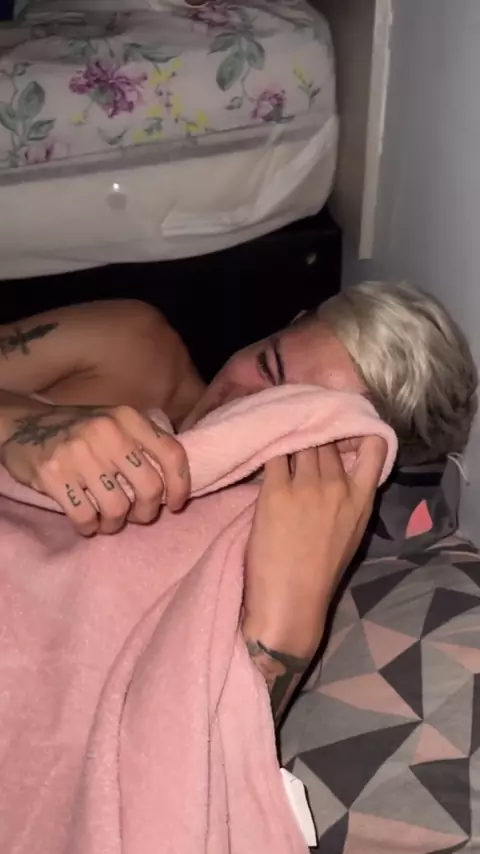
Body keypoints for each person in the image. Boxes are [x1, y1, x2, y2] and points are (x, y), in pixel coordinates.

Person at [0, 281, 476, 720]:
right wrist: (20, 426)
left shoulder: (251, 554)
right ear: (288, 324)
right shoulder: (128, 344)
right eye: (268, 366)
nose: (245, 403)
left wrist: (289, 633)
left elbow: (188, 758)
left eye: (289, 417)